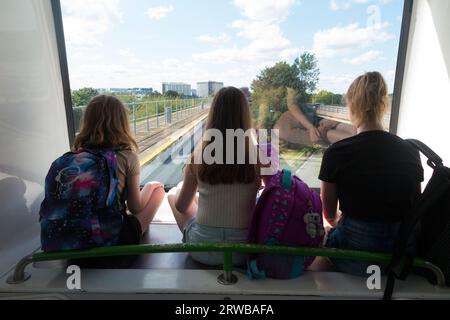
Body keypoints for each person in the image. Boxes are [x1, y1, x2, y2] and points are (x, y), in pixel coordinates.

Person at [319, 72, 424, 276]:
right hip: (399, 259)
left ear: (352, 105)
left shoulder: (336, 152)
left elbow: (329, 215)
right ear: (383, 103)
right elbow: (414, 206)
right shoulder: (411, 151)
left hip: (354, 259)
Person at [167, 87, 262, 266]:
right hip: (245, 251)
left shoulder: (198, 157)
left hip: (202, 250)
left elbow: (181, 207)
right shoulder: (258, 158)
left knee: (174, 195)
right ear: (245, 115)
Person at [72, 95, 165, 267]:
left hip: (71, 243)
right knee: (158, 191)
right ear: (122, 123)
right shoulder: (127, 156)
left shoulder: (75, 156)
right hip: (112, 243)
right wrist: (150, 186)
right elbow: (135, 206)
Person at [273, 88, 357, 147]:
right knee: (354, 138)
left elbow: (291, 104)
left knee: (356, 134)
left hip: (320, 118)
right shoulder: (280, 129)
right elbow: (291, 104)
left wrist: (332, 120)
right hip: (320, 128)